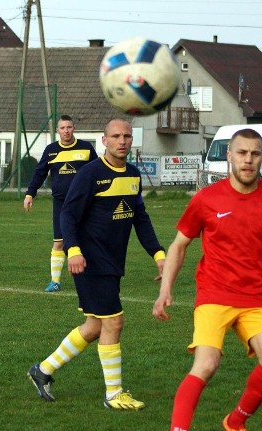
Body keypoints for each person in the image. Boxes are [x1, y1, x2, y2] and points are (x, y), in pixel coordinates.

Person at [154, 129, 262, 431]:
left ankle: (236, 422)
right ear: (229, 156)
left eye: (254, 154)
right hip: (214, 294)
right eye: (241, 153)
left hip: (256, 299)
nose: (248, 160)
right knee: (207, 363)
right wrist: (165, 290)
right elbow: (179, 245)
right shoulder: (207, 199)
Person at [27, 118, 165, 410]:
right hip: (89, 260)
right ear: (105, 141)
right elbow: (68, 214)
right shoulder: (91, 174)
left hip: (113, 260)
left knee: (94, 326)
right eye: (115, 136)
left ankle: (42, 371)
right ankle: (114, 393)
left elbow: (140, 218)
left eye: (127, 136)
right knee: (114, 321)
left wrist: (158, 255)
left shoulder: (133, 174)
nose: (122, 141)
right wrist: (74, 250)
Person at [23, 115, 98, 291]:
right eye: (62, 128)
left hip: (84, 203)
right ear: (57, 131)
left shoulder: (86, 148)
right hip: (60, 204)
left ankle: (92, 278)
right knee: (59, 242)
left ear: (74, 128)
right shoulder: (51, 150)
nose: (66, 131)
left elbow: (97, 172)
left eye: (69, 127)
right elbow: (39, 173)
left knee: (88, 241)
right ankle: (55, 282)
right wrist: (29, 194)